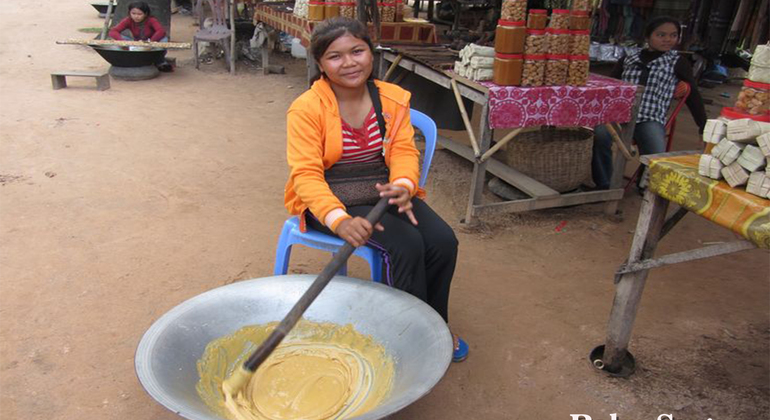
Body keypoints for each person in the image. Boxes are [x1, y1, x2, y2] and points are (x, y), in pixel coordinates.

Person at [283, 17, 468, 362]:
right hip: (331, 200)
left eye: (357, 51)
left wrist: (403, 185)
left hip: (383, 191)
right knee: (405, 246)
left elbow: (402, 150)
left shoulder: (392, 98)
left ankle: (435, 323)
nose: (350, 62)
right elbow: (306, 175)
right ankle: (404, 332)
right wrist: (338, 220)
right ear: (320, 64)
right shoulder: (306, 109)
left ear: (371, 52)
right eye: (335, 57)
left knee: (444, 241)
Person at [591, 16, 708, 190]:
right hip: (620, 114)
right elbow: (611, 85)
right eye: (661, 35)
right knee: (600, 135)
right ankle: (604, 184)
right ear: (648, 37)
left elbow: (694, 96)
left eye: (673, 35)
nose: (668, 39)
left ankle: (645, 185)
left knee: (656, 152)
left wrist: (703, 126)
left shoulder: (678, 62)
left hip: (650, 118)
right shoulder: (629, 59)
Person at [108, 2, 172, 71]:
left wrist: (150, 42)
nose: (136, 16)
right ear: (129, 13)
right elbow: (113, 31)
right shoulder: (128, 20)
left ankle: (160, 61)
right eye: (133, 13)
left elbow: (161, 31)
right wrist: (123, 41)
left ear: (145, 14)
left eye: (139, 14)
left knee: (164, 39)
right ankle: (132, 58)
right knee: (118, 40)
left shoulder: (151, 20)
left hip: (152, 43)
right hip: (138, 43)